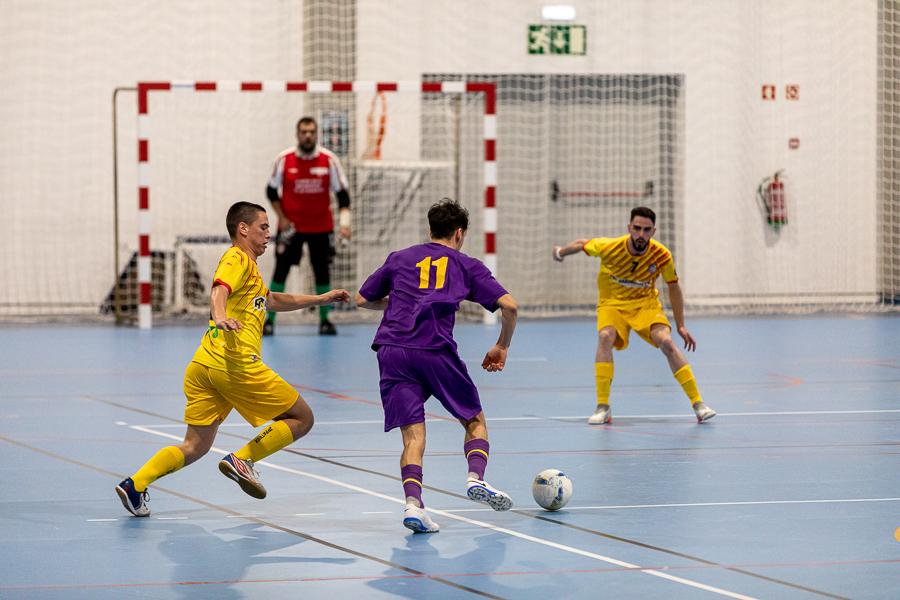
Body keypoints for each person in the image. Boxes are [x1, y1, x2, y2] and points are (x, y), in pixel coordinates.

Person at [115, 202, 350, 517]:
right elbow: (219, 290)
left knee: (195, 446)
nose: (269, 233)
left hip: (204, 366)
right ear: (243, 228)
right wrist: (221, 315)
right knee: (302, 418)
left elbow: (273, 300)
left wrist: (319, 298)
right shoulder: (236, 258)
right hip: (236, 364)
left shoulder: (250, 268)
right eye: (263, 227)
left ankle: (135, 485)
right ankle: (243, 459)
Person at [355, 199, 518, 533]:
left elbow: (362, 299)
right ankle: (476, 478)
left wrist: (399, 304)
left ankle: (413, 506)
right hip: (434, 350)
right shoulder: (465, 265)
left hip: (391, 350)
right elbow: (509, 306)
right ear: (459, 233)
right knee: (474, 420)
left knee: (413, 436)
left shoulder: (400, 258)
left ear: (430, 229)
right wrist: (502, 345)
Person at [552, 206, 716, 425]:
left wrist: (681, 325)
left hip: (645, 305)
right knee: (605, 337)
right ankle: (603, 407)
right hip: (612, 304)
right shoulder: (610, 247)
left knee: (667, 341)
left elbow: (673, 288)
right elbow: (582, 243)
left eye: (646, 230)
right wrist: (561, 252)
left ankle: (699, 404)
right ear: (629, 227)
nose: (641, 234)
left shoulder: (661, 255)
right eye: (637, 228)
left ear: (653, 231)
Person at [264, 116, 352, 336]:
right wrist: (281, 217)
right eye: (304, 132)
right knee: (280, 271)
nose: (308, 135)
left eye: (312, 131)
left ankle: (325, 320)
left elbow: (343, 195)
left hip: (321, 227)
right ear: (297, 134)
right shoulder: (284, 160)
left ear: (317, 134)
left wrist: (344, 223)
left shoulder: (328, 160)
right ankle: (268, 321)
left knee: (322, 272)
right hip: (291, 227)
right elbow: (271, 191)